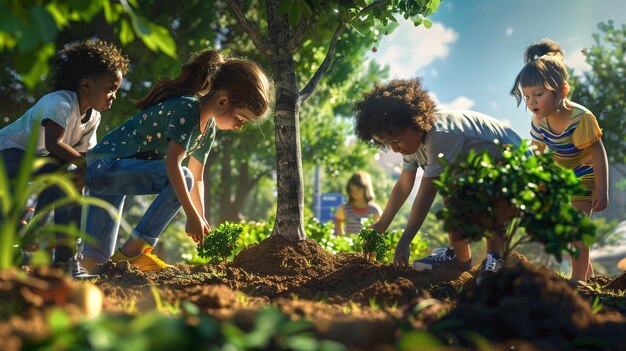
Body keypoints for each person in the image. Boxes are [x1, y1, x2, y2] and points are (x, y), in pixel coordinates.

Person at [80, 49, 272, 273]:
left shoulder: (208, 129)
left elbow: (198, 178)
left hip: (117, 177)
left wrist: (200, 220)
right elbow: (173, 164)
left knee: (96, 265)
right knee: (182, 176)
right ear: (223, 101)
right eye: (241, 118)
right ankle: (136, 250)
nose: (240, 126)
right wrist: (190, 215)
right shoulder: (187, 109)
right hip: (103, 167)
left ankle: (97, 273)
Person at [353, 78, 525, 284]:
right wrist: (382, 224)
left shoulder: (440, 136)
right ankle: (460, 260)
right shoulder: (412, 145)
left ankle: (495, 258)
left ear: (415, 122)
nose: (394, 149)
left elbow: (426, 194)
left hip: (514, 164)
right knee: (450, 189)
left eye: (396, 141)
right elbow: (404, 185)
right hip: (475, 168)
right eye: (388, 144)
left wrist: (405, 241)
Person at [0, 39, 128, 278]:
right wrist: (87, 167)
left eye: (116, 90)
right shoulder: (59, 102)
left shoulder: (93, 118)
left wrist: (83, 171)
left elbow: (82, 155)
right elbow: (55, 144)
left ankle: (65, 260)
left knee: (68, 176)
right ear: (86, 85)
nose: (114, 96)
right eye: (111, 88)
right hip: (7, 157)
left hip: (42, 163)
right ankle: (36, 240)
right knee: (62, 169)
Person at [510, 38, 609, 285]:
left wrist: (601, 187)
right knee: (568, 230)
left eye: (539, 94)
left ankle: (577, 282)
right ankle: (590, 277)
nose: (531, 102)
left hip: (586, 172)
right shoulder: (538, 123)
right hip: (562, 177)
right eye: (527, 96)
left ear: (562, 90)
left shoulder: (581, 118)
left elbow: (597, 152)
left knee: (577, 227)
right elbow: (537, 156)